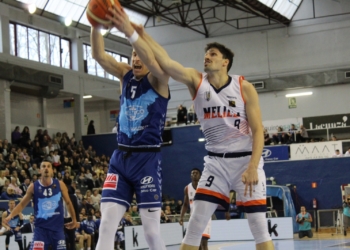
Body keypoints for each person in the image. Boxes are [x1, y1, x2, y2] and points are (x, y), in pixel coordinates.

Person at [110, 8, 274, 249]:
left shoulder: (244, 87)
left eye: (213, 54)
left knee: (258, 225)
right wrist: (142, 36)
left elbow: (258, 131)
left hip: (245, 161)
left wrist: (252, 166)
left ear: (225, 62)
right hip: (216, 163)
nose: (207, 57)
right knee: (195, 225)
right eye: (206, 54)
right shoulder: (197, 81)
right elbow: (165, 62)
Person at [91, 6, 170, 250]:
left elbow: (155, 60)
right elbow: (98, 56)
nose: (136, 59)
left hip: (147, 159)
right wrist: (95, 25)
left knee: (151, 232)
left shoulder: (159, 78)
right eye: (132, 55)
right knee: (106, 224)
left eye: (139, 55)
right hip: (120, 158)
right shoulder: (125, 75)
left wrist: (134, 34)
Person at [3, 161, 78, 250]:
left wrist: (74, 219)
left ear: (52, 171)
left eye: (48, 166)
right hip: (41, 230)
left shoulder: (60, 184)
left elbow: (68, 203)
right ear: (39, 171)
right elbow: (22, 204)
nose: (46, 168)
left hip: (57, 229)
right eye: (43, 166)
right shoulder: (33, 187)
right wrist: (10, 216)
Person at [179, 168, 211, 250]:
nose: (194, 174)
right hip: (194, 218)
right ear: (190, 176)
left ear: (200, 176)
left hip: (205, 218)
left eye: (196, 173)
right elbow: (185, 204)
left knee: (204, 242)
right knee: (196, 243)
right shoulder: (187, 188)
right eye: (192, 173)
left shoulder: (204, 186)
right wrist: (181, 217)